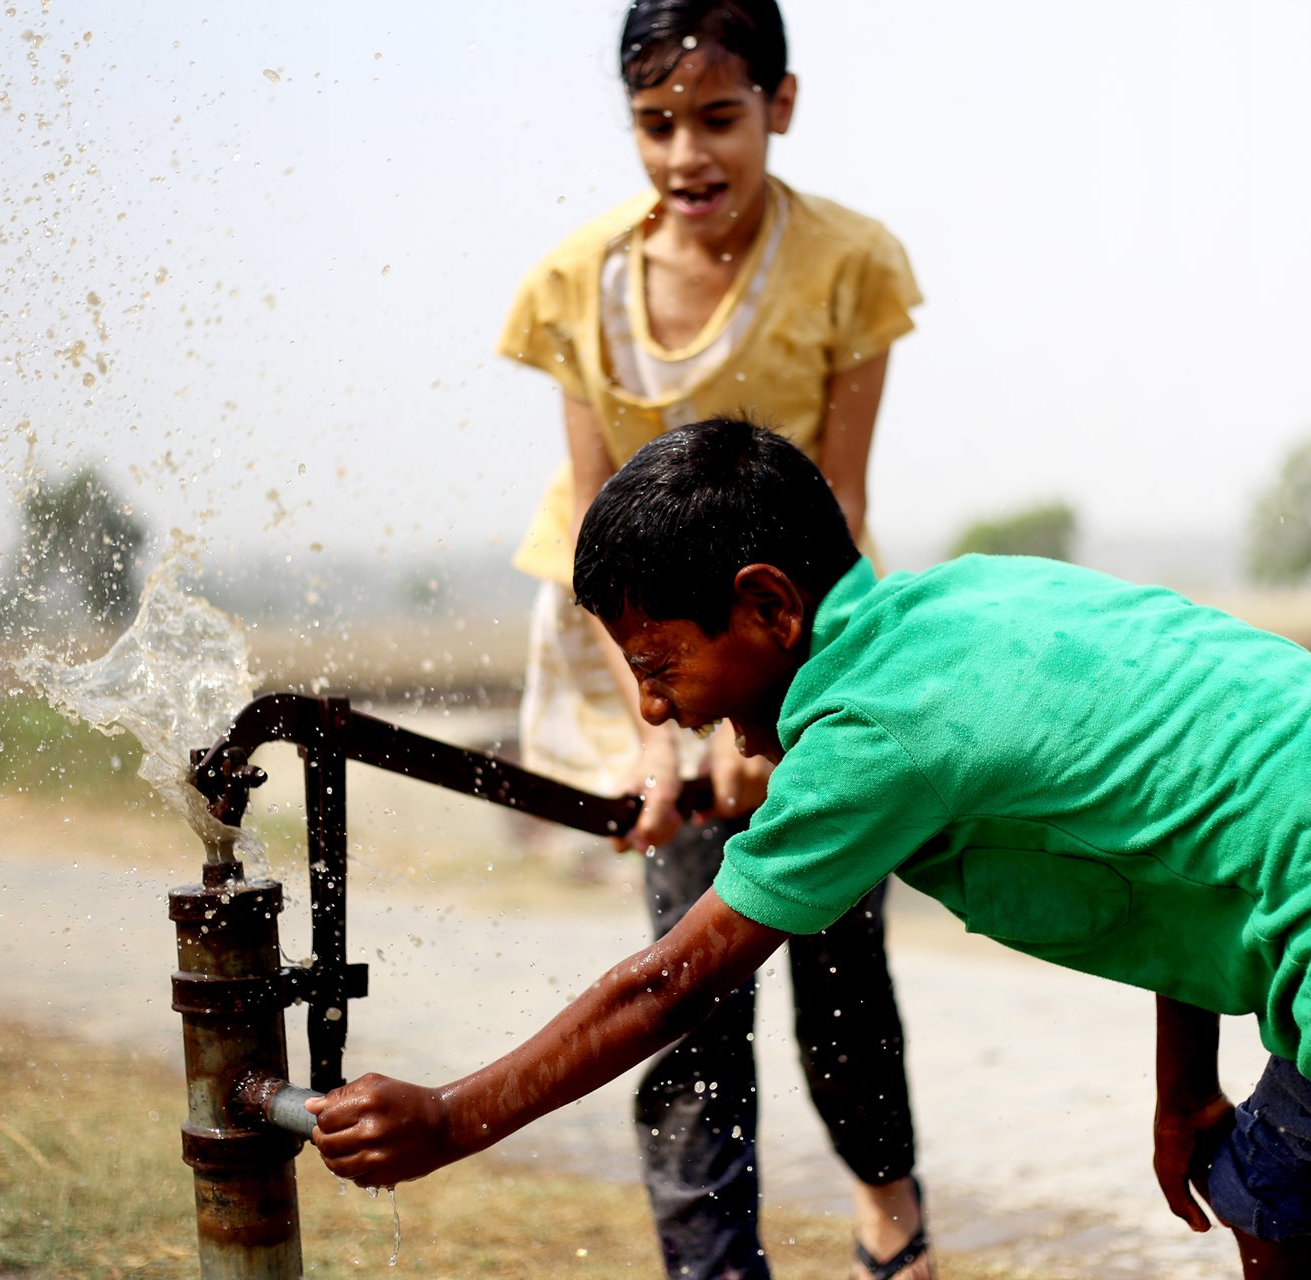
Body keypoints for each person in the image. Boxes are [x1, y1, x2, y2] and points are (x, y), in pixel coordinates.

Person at [311, 420, 1311, 1280]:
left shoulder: (872, 732)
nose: (658, 709)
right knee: (1263, 1187)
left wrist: (447, 1114)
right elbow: (1165, 826)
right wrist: (1182, 1088)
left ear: (769, 604)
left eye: (662, 664)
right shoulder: (964, 601)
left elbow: (669, 979)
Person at [493, 3, 928, 1277]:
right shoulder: (581, 281)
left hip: (811, 639)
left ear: (780, 105)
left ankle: (892, 1213)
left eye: (720, 118)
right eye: (656, 122)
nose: (689, 153)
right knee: (688, 980)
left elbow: (839, 507)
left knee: (840, 960)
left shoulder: (851, 263)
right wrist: (662, 747)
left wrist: (782, 724)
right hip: (646, 661)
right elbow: (592, 532)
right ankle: (710, 1265)